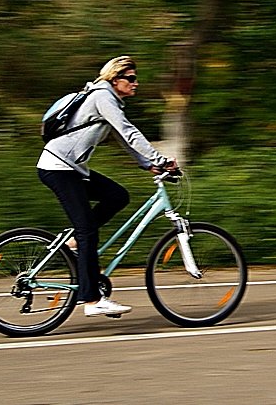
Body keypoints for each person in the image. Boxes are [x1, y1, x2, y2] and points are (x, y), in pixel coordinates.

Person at [37, 56, 177, 317]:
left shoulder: (108, 100)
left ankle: (72, 243)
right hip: (58, 169)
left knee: (117, 196)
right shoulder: (103, 96)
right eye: (131, 78)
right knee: (88, 231)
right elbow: (129, 132)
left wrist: (149, 164)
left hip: (71, 168)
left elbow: (123, 139)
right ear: (115, 79)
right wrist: (161, 159)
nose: (136, 83)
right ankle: (91, 300)